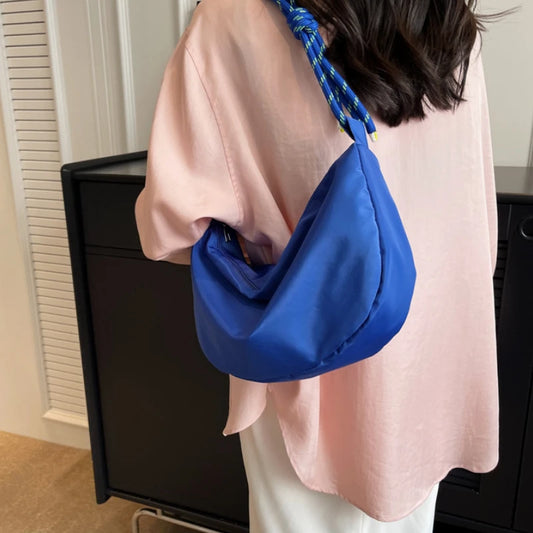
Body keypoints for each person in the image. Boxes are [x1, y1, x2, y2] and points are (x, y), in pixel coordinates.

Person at [134, 0, 504, 531]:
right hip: (430, 359)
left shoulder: (230, 17)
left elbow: (169, 229)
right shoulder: (450, 18)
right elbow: (475, 209)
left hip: (309, 365)